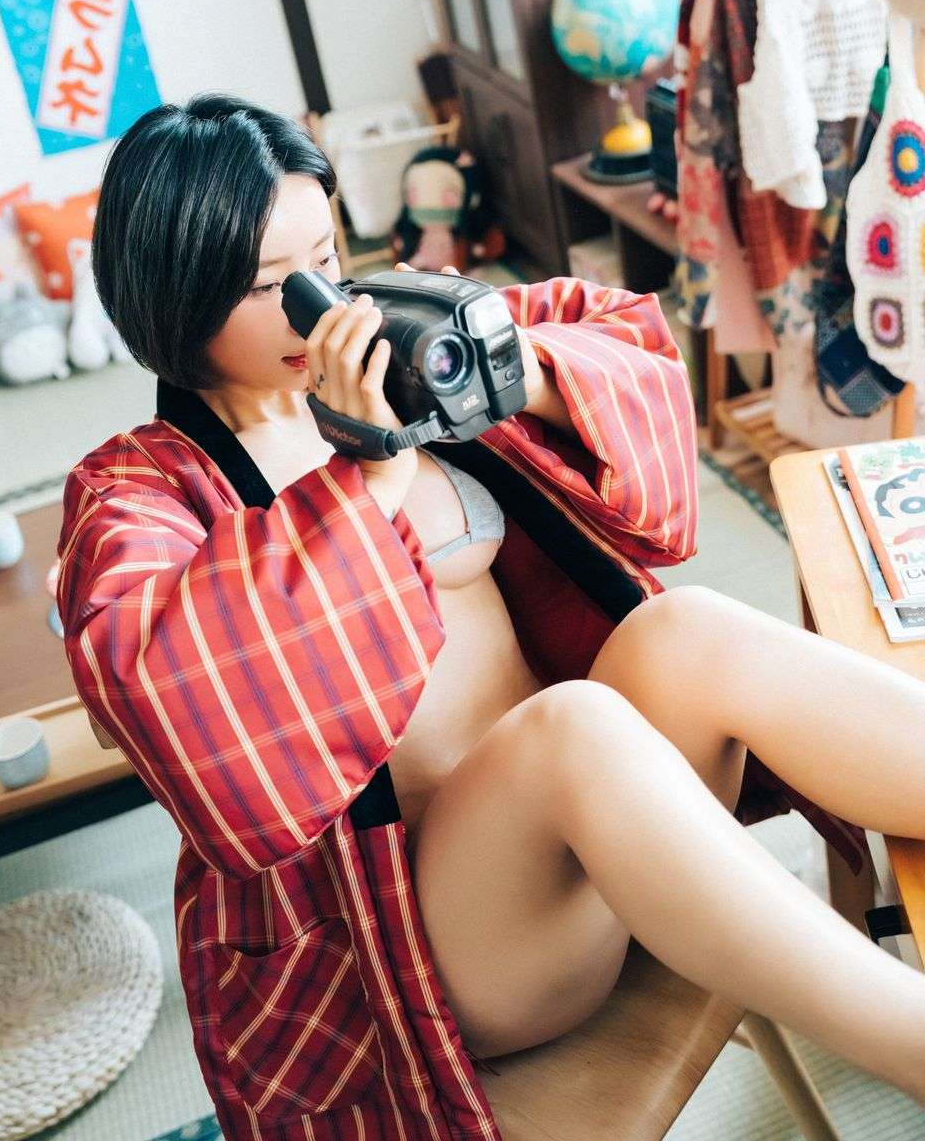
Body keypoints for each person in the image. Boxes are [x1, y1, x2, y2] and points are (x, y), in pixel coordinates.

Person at [58, 95, 925, 1140]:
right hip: (459, 947)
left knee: (683, 630)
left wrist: (516, 369)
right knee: (572, 726)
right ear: (174, 296)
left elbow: (618, 342)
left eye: (326, 256)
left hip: (611, 838)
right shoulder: (135, 492)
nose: (317, 304)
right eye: (265, 286)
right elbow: (172, 702)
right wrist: (367, 473)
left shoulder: (389, 339)